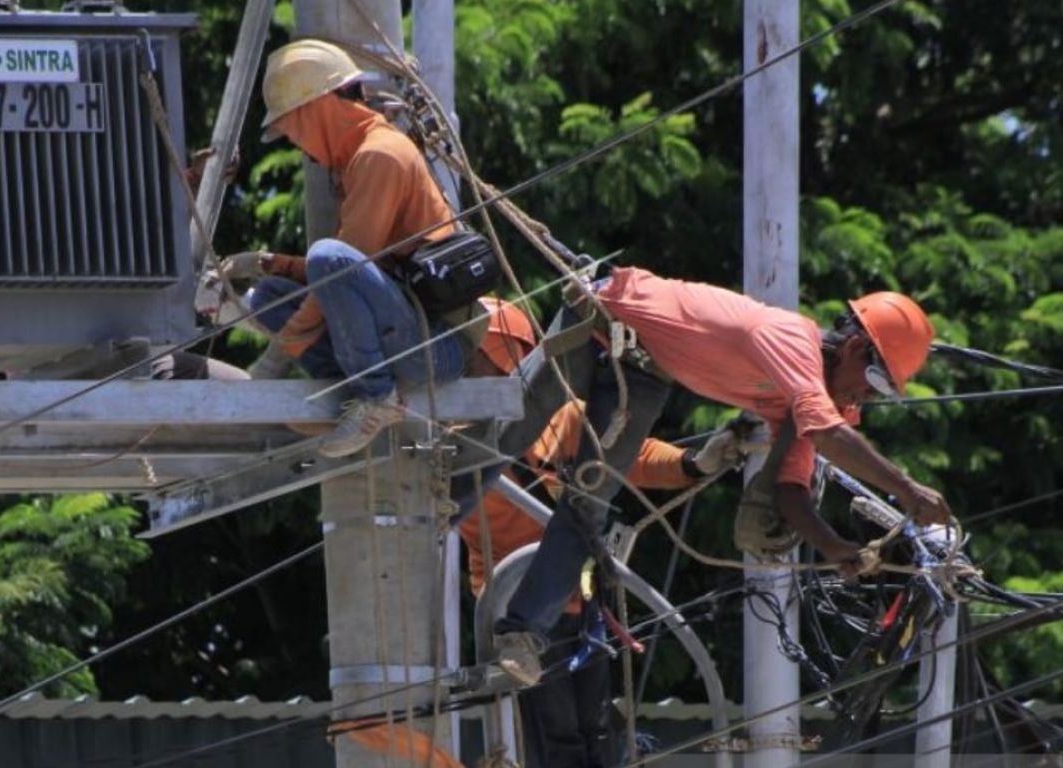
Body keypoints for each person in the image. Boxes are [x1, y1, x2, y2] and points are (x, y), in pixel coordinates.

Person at [479, 268, 950, 686]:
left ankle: (522, 633)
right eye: (878, 379)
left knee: (590, 503)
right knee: (509, 432)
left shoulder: (805, 405)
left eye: (885, 390)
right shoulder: (789, 339)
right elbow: (825, 434)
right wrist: (908, 491)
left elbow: (790, 490)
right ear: (852, 347)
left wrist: (832, 547)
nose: (871, 395)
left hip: (645, 372)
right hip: (602, 320)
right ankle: (431, 511)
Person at [458, 297, 743, 766]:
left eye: (472, 353)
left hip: (574, 599)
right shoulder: (447, 438)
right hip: (512, 611)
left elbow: (628, 454)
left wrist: (695, 463)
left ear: (507, 354)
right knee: (558, 742)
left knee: (599, 737)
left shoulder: (558, 421)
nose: (462, 367)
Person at [218, 39, 487, 458]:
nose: (296, 144)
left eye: (290, 128)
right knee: (272, 295)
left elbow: (341, 267)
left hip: (435, 348)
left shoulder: (379, 155)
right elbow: (348, 277)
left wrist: (276, 358)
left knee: (328, 257)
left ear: (314, 110)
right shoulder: (357, 159)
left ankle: (376, 398)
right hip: (399, 331)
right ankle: (354, 387)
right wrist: (270, 264)